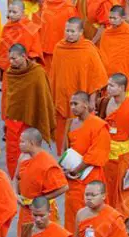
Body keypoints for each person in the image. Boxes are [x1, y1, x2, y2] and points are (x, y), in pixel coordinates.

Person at [49, 18, 107, 147]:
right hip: (62, 98)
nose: (69, 34)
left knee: (83, 135)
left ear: (81, 32)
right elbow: (54, 76)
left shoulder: (88, 49)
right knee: (65, 133)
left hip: (82, 98)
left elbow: (96, 77)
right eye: (67, 30)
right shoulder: (59, 48)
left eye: (73, 31)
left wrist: (92, 100)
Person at [1, 46, 55, 179]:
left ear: (24, 56)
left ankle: (29, 181)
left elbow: (43, 97)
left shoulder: (37, 72)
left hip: (30, 121)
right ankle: (15, 182)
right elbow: (6, 97)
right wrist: (5, 119)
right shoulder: (9, 73)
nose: (11, 62)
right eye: (10, 59)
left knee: (28, 153)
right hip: (12, 121)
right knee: (12, 154)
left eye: (14, 58)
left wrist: (40, 119)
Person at [99, 74, 129, 224]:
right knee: (108, 189)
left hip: (123, 154)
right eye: (108, 85)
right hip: (106, 154)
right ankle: (111, 221)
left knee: (124, 191)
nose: (108, 88)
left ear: (122, 88)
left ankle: (125, 224)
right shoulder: (105, 103)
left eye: (111, 86)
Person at [62, 93, 110, 236]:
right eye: (71, 104)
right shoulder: (70, 123)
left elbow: (96, 153)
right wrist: (66, 168)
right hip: (72, 179)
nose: (72, 107)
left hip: (91, 176)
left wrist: (77, 170)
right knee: (72, 213)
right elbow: (66, 149)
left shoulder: (99, 125)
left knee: (92, 212)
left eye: (75, 104)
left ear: (86, 104)